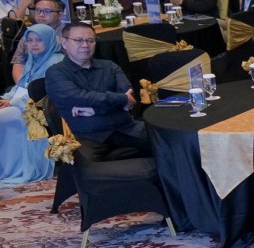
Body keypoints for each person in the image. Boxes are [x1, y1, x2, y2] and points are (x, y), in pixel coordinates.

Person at [45, 22, 149, 161]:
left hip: (124, 128)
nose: (85, 45)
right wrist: (120, 99)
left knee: (166, 140)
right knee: (82, 165)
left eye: (90, 40)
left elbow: (129, 96)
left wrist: (94, 110)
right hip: (86, 135)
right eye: (78, 40)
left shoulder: (110, 66)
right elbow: (78, 97)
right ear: (64, 43)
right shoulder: (55, 73)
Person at [0, 24, 63, 183]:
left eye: (39, 40)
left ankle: (14, 167)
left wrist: (13, 102)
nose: (33, 44)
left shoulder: (56, 60)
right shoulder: (33, 60)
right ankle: (9, 166)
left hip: (39, 108)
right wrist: (6, 99)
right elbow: (21, 85)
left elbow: (41, 91)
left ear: (49, 40)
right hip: (21, 104)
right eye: (29, 40)